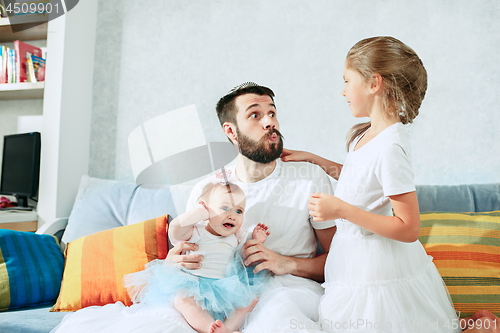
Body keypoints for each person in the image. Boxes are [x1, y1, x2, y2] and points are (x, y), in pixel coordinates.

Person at [280, 36, 490, 333]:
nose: (343, 91)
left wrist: (340, 209)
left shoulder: (391, 146)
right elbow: (362, 180)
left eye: (347, 80)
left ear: (373, 83)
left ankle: (483, 324)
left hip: (376, 268)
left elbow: (408, 227)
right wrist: (314, 159)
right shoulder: (367, 135)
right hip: (352, 260)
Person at [168, 82, 337, 332]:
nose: (270, 122)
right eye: (255, 115)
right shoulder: (208, 189)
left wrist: (286, 263)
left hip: (289, 291)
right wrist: (173, 263)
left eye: (272, 113)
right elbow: (188, 252)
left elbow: (340, 261)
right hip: (220, 294)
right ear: (231, 131)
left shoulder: (309, 178)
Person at [123, 180, 270, 333]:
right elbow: (175, 229)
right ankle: (208, 328)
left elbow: (241, 258)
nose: (232, 216)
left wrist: (255, 241)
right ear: (205, 209)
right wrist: (198, 213)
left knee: (250, 300)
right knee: (182, 300)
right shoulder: (196, 232)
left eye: (238, 211)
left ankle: (227, 328)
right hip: (194, 285)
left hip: (224, 289)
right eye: (225, 208)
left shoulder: (236, 237)